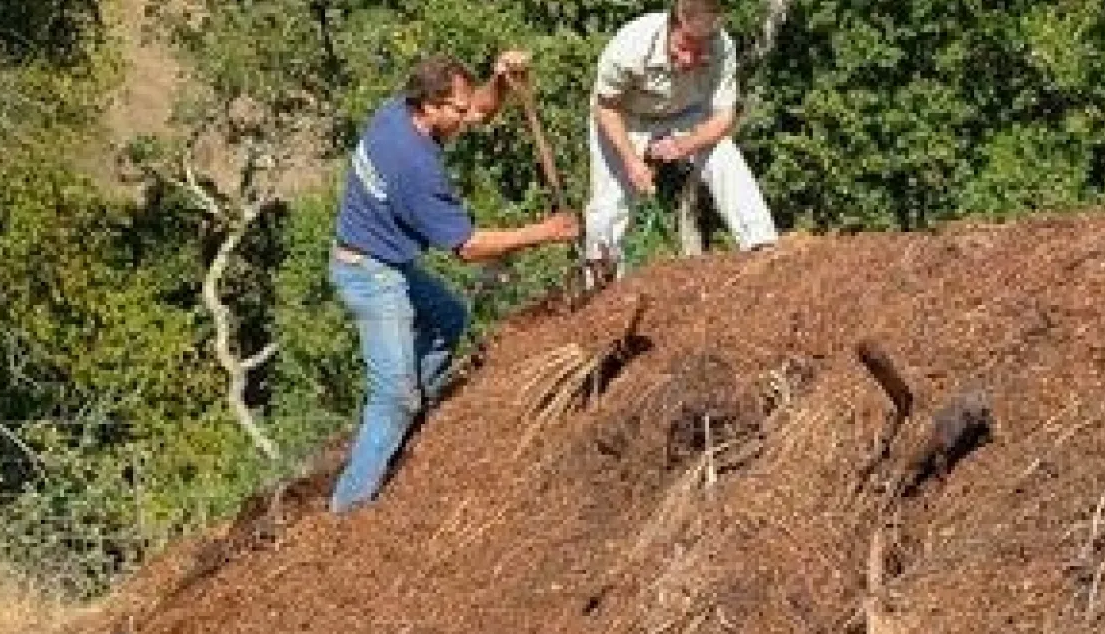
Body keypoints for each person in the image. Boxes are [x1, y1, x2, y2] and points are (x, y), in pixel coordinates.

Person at [329, 52, 580, 513]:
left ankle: (408, 418)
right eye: (458, 111)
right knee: (393, 394)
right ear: (430, 107)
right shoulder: (413, 165)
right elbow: (468, 247)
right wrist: (545, 232)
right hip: (368, 272)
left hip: (384, 258)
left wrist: (499, 82)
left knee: (448, 317)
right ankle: (348, 507)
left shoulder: (399, 111)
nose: (467, 119)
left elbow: (480, 109)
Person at [585, 0, 779, 285]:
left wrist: (683, 145)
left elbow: (724, 117)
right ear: (671, 25)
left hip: (686, 115)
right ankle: (601, 281)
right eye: (684, 47)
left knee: (724, 155)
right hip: (624, 117)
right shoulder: (631, 44)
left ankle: (763, 245)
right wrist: (632, 161)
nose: (689, 60)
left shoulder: (723, 47)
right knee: (608, 206)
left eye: (700, 51)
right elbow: (605, 107)